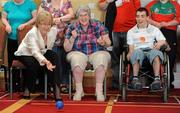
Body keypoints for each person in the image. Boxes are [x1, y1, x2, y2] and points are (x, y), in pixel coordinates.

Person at [64, 6, 111, 101]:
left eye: (85, 15)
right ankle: (79, 90)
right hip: (78, 52)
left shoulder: (97, 24)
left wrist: (104, 42)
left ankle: (99, 91)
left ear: (89, 16)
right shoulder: (72, 27)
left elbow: (109, 42)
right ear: (77, 17)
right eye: (80, 15)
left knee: (101, 57)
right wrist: (72, 38)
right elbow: (66, 48)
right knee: (76, 59)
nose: (83, 17)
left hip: (96, 52)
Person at [14, 11, 62, 101]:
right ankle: (27, 89)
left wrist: (48, 60)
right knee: (33, 63)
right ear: (38, 24)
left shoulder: (53, 31)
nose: (46, 27)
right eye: (43, 24)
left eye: (48, 24)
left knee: (54, 56)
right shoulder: (32, 33)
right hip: (26, 52)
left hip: (42, 51)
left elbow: (48, 48)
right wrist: (46, 61)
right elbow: (35, 52)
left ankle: (56, 89)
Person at [98, 0, 141, 89]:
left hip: (130, 31)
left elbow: (139, 11)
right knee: (115, 58)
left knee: (132, 56)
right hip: (114, 30)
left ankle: (132, 81)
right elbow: (102, 6)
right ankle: (117, 83)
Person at [38, 0, 74, 93]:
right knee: (54, 61)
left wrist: (61, 19)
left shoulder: (66, 2)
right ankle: (54, 84)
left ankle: (65, 84)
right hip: (50, 38)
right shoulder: (45, 3)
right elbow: (39, 17)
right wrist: (51, 21)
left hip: (65, 38)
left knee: (65, 61)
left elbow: (72, 15)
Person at [127, 7, 166, 90]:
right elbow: (131, 49)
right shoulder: (131, 31)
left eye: (142, 16)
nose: (139, 18)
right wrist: (130, 54)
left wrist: (159, 43)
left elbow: (163, 40)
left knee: (155, 53)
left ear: (147, 18)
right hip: (138, 52)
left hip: (150, 51)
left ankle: (157, 80)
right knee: (136, 52)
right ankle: (135, 79)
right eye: (137, 16)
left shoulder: (154, 29)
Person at [1, 0, 37, 91]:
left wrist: (25, 24)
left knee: (26, 61)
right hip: (12, 37)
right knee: (12, 61)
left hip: (26, 39)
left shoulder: (30, 4)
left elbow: (35, 18)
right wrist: (7, 25)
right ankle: (14, 86)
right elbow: (3, 18)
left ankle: (26, 86)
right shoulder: (8, 4)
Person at [146, 0, 180, 89]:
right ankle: (152, 80)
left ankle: (169, 82)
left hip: (170, 31)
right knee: (153, 53)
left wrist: (166, 24)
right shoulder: (151, 4)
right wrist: (156, 24)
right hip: (154, 31)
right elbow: (146, 17)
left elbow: (178, 19)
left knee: (171, 56)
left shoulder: (175, 5)